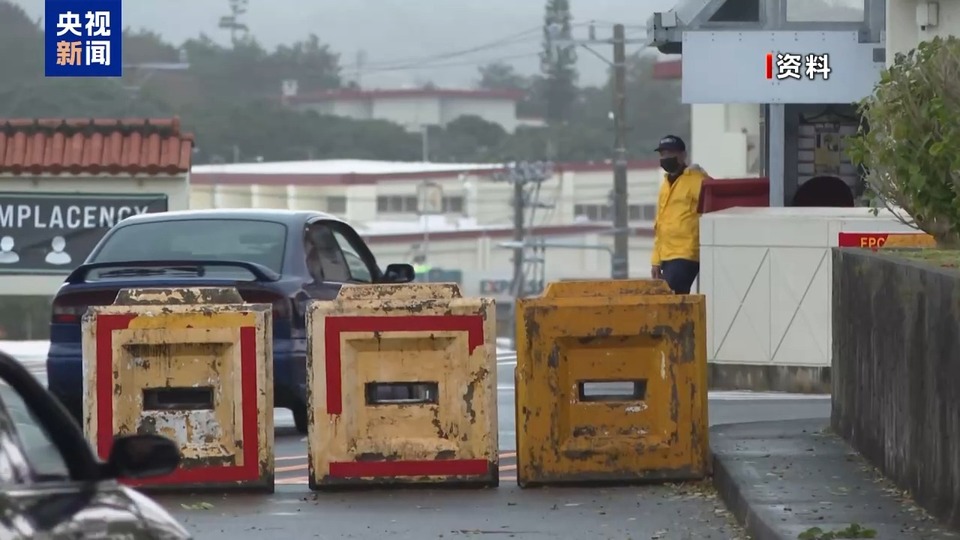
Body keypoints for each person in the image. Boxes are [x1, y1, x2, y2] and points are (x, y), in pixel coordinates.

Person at [650, 135, 708, 294]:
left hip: (686, 253)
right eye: (663, 154)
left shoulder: (698, 181)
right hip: (667, 256)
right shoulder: (665, 185)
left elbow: (712, 208)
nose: (666, 158)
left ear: (683, 155)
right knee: (672, 302)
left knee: (672, 298)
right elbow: (660, 225)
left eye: (670, 153)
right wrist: (656, 260)